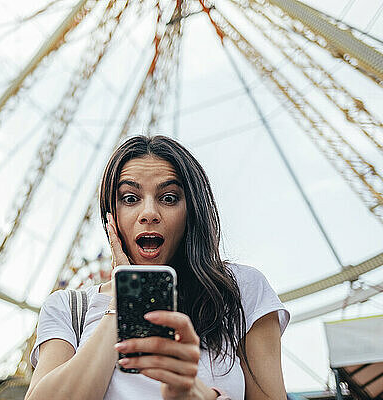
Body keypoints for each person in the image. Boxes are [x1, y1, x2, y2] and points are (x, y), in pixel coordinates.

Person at [25, 135, 290, 400]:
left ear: (191, 211)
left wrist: (196, 395)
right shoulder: (68, 308)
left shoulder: (241, 290)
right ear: (110, 216)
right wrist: (123, 297)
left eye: (169, 198)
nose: (149, 212)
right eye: (130, 198)